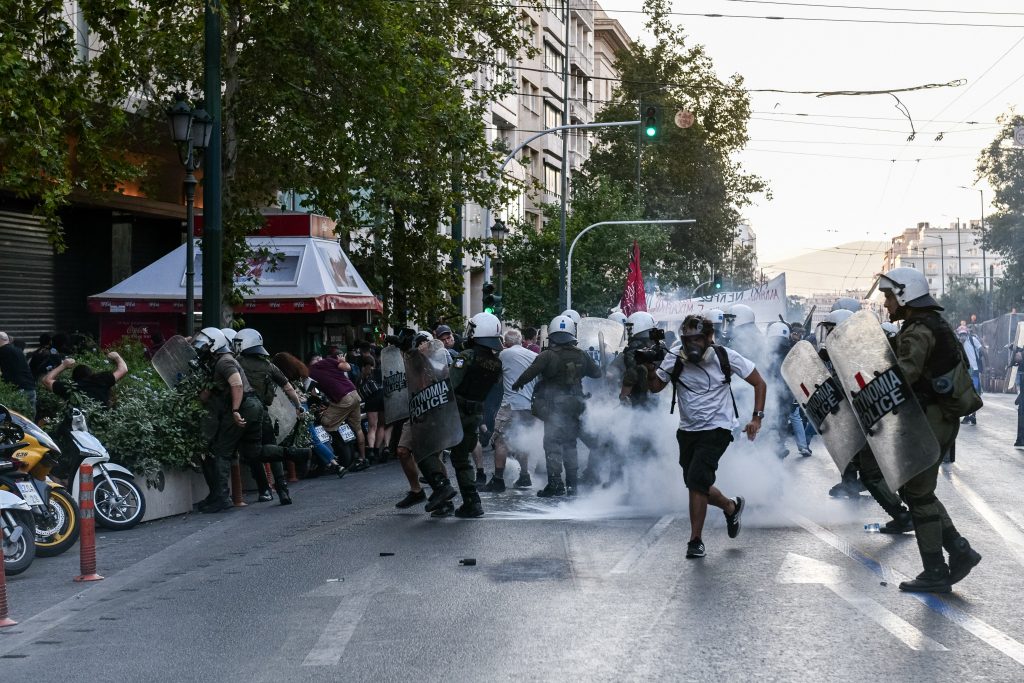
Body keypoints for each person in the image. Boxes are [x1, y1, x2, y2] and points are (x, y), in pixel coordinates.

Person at [872, 267, 982, 593]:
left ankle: (936, 569)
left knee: (917, 493)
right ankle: (959, 551)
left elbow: (906, 372)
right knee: (917, 491)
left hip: (933, 417)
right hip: (935, 417)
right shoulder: (926, 324)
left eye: (890, 297)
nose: (887, 304)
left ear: (905, 295)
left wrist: (872, 389)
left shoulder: (919, 329)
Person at [647, 314, 766, 559]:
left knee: (697, 478)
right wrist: (648, 365)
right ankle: (730, 506)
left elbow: (759, 383)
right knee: (695, 483)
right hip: (687, 431)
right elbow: (655, 387)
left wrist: (756, 418)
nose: (692, 345)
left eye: (698, 339)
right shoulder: (674, 357)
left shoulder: (724, 356)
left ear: (709, 337)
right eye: (688, 340)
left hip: (718, 429)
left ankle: (695, 540)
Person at [418, 312, 504, 518]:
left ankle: (441, 486)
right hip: (474, 415)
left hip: (455, 413)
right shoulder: (496, 363)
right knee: (461, 458)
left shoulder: (466, 357)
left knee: (423, 447)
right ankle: (472, 502)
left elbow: (450, 385)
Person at [511, 314, 602, 497]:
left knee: (552, 444)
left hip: (555, 408)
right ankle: (572, 485)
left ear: (552, 335)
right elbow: (597, 373)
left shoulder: (547, 355)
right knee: (570, 444)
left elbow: (531, 372)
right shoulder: (582, 355)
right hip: (576, 406)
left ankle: (555, 484)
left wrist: (518, 383)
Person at [233, 328, 310, 505]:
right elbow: (288, 388)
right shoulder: (268, 365)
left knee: (252, 452)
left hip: (243, 415)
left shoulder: (236, 363)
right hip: (264, 415)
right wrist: (299, 407)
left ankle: (264, 490)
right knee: (272, 449)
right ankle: (282, 490)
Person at [483, 328, 537, 492]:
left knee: (500, 441)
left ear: (505, 343)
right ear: (521, 341)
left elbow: (494, 376)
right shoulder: (533, 356)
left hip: (510, 406)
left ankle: (498, 480)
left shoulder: (504, 355)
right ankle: (525, 476)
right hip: (529, 407)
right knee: (521, 441)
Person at [309, 347, 369, 471]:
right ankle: (363, 459)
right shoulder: (326, 363)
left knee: (324, 424)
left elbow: (311, 392)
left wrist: (342, 362)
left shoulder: (313, 370)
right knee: (357, 429)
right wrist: (343, 362)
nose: (318, 360)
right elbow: (347, 368)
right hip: (354, 393)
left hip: (342, 398)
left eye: (318, 358)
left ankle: (332, 457)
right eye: (316, 359)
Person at [43, 350, 128, 408]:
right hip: (101, 422)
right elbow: (123, 369)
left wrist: (63, 365)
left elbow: (46, 380)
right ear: (91, 374)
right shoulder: (102, 381)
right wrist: (117, 357)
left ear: (74, 379)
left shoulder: (70, 388)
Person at [0, 331, 38, 415]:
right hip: (30, 387)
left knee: (16, 421)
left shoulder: (2, 351)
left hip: (18, 390)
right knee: (30, 420)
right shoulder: (18, 350)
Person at [956, 325, 984, 425]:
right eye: (961, 335)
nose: (962, 337)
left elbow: (982, 350)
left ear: (967, 334)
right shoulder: (957, 344)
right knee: (965, 394)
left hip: (974, 371)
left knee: (974, 393)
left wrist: (987, 366)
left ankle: (973, 415)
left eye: (964, 334)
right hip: (964, 372)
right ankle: (968, 415)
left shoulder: (972, 340)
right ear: (958, 335)